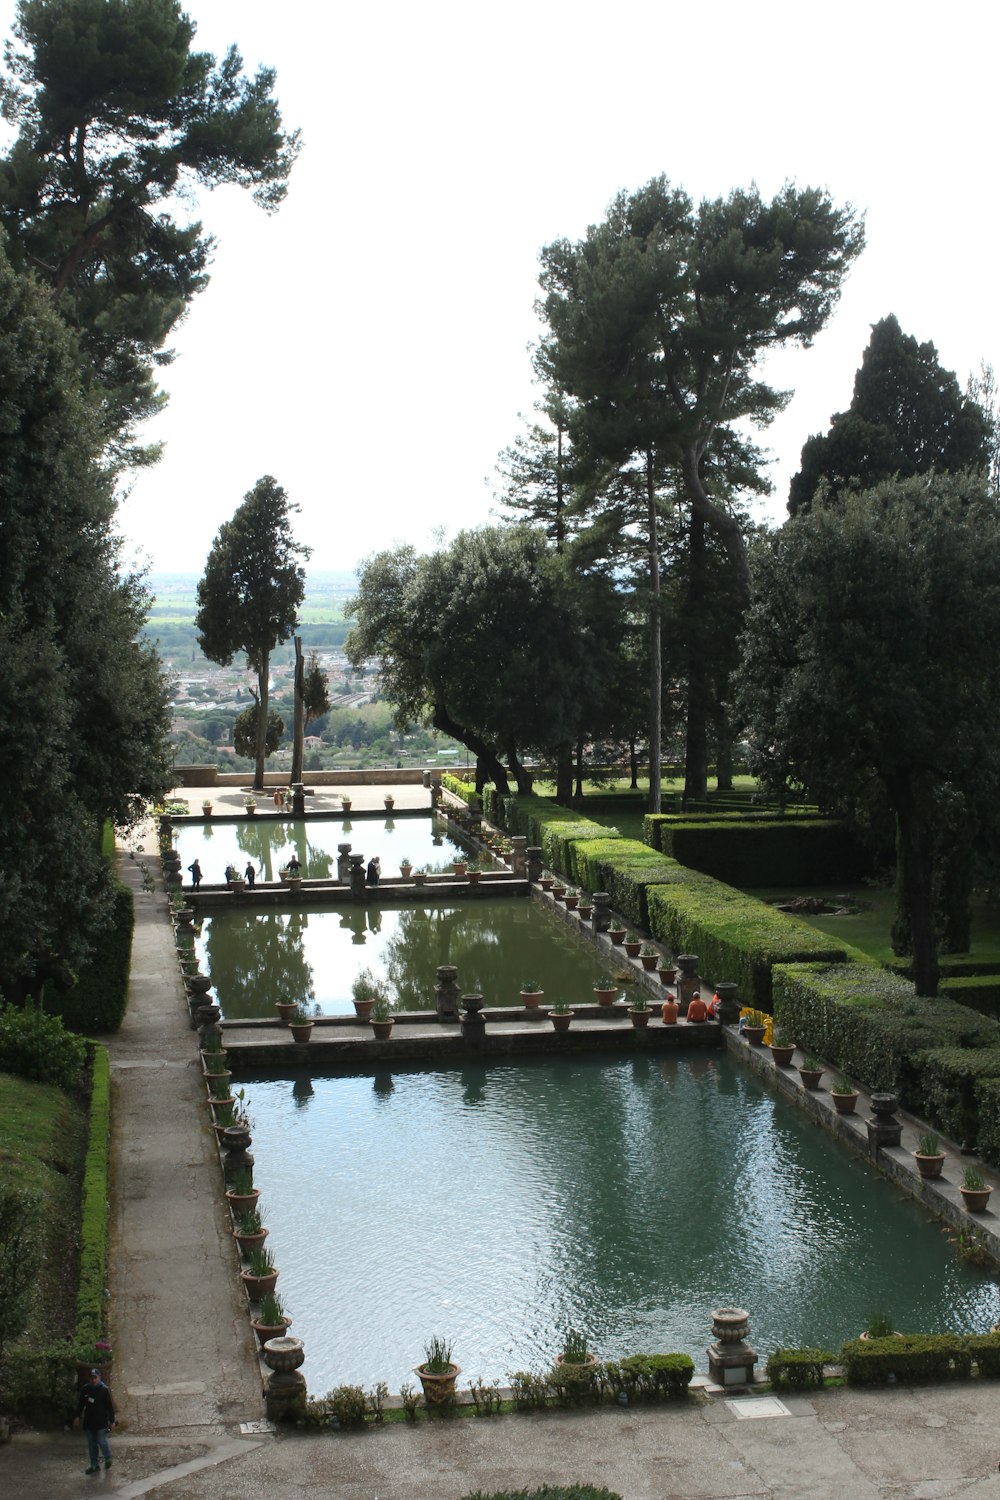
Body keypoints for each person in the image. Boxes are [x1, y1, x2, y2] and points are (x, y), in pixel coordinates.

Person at [75, 1367, 115, 1474]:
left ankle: (108, 1457)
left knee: (102, 1440)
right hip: (89, 1422)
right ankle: (94, 1464)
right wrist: (77, 1416)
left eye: (95, 1378)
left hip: (101, 1422)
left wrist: (112, 1421)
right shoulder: (86, 1389)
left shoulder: (104, 1390)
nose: (93, 1380)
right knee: (91, 1444)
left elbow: (110, 1407)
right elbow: (80, 1404)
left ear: (99, 1378)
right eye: (92, 1378)